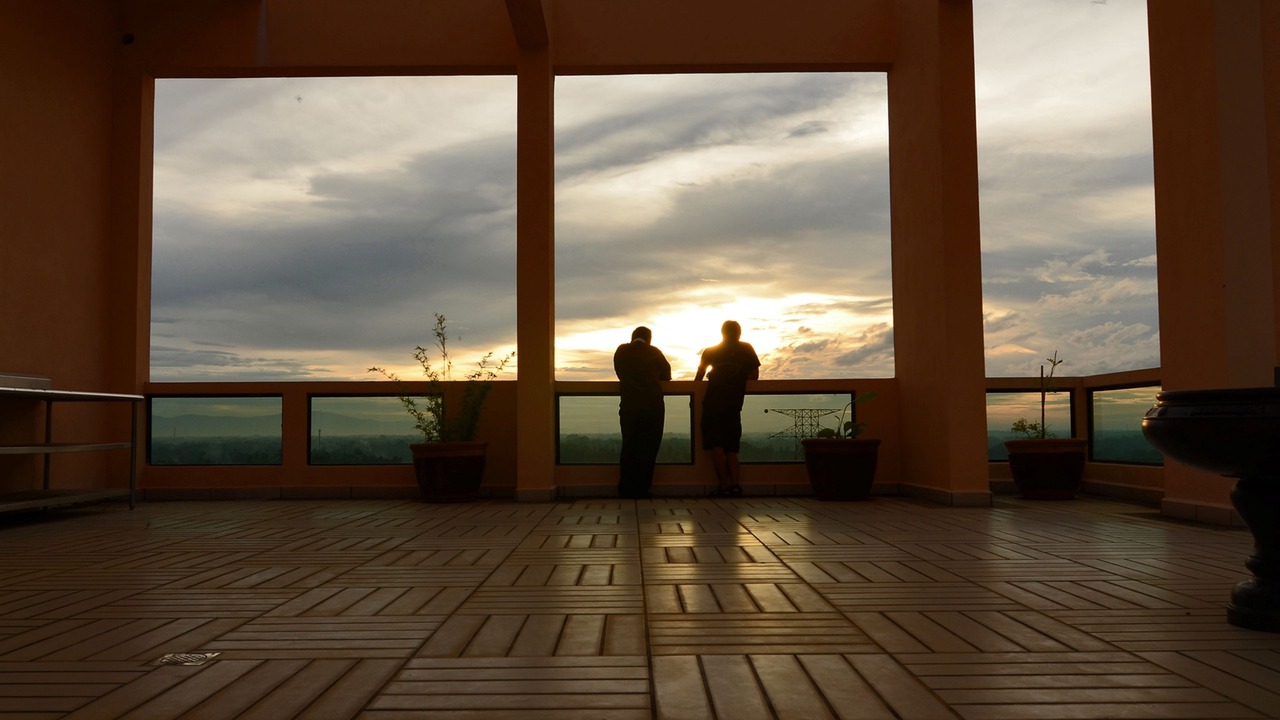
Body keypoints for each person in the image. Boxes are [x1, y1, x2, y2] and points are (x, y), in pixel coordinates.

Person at [694, 320, 761, 496]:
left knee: (716, 445)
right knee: (731, 447)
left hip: (712, 404)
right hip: (734, 405)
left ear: (722, 333)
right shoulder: (746, 349)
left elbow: (698, 379)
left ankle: (724, 484)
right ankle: (736, 485)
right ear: (739, 333)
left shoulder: (710, 351)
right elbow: (754, 375)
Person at [613, 326, 672, 499]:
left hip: (629, 404)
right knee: (649, 446)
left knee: (629, 444)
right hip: (652, 405)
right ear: (649, 338)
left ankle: (625, 488)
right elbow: (667, 375)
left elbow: (619, 372)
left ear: (632, 337)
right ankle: (642, 488)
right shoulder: (654, 352)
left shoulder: (621, 351)